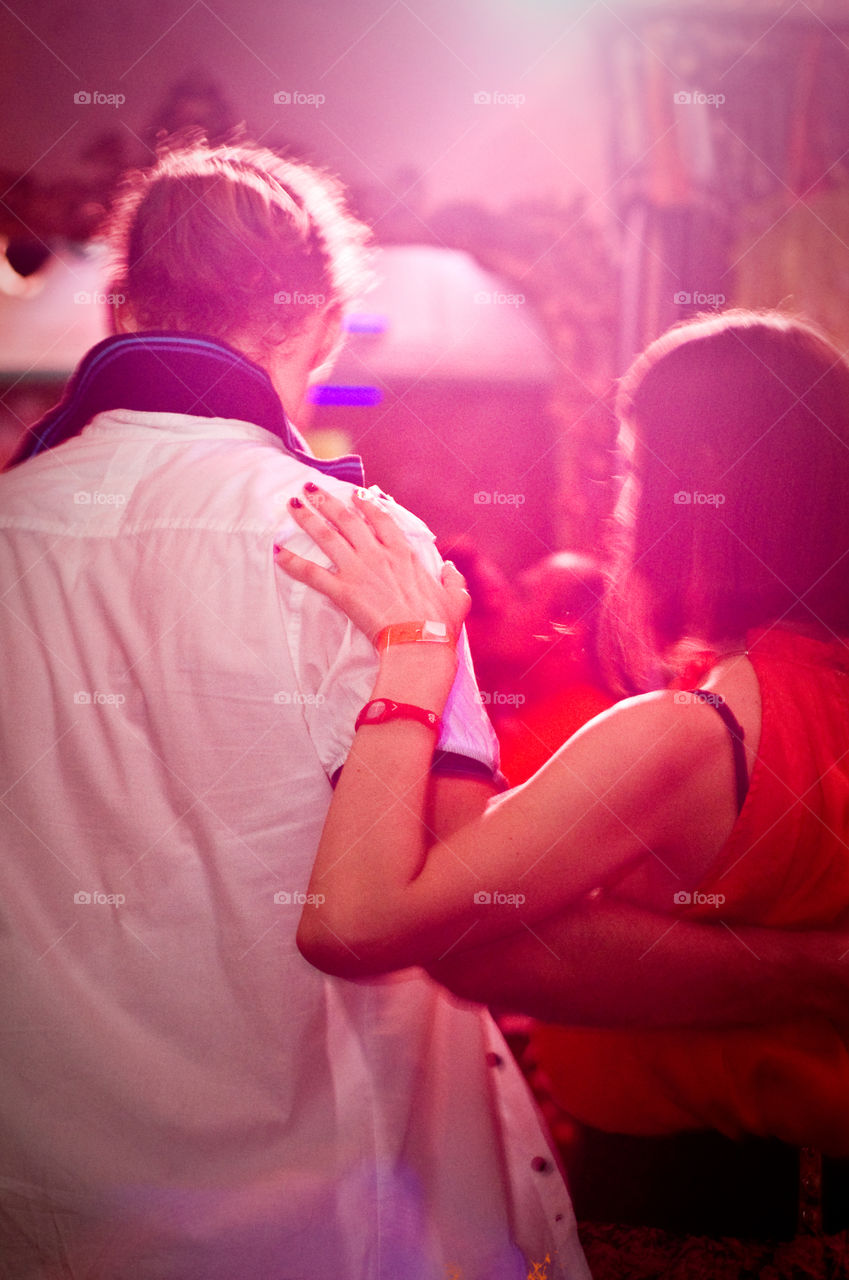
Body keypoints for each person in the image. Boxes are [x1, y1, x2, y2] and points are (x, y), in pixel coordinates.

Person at [0, 134, 592, 1280]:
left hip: (35, 1190)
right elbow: (453, 883)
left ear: (121, 302)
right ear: (323, 319)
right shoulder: (363, 548)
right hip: (308, 1197)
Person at [280, 309, 849, 1164]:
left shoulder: (691, 737)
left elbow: (353, 924)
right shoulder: (801, 693)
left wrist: (414, 648)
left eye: (627, 465)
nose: (615, 503)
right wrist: (809, 968)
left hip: (698, 1206)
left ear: (695, 479)